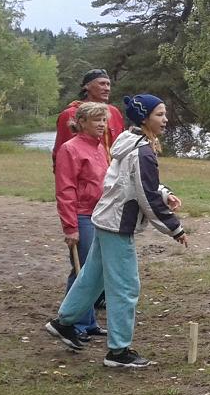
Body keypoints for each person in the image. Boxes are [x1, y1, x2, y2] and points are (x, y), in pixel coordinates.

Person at [42, 94, 187, 368]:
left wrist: (164, 193)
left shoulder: (128, 140)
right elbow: (146, 195)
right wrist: (175, 228)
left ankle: (64, 323)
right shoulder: (141, 150)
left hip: (105, 219)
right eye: (159, 114)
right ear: (144, 118)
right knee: (125, 287)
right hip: (117, 224)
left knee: (92, 277)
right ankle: (119, 352)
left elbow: (133, 182)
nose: (165, 119)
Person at [53, 101, 110, 341]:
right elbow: (65, 189)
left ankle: (88, 322)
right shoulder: (70, 149)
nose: (102, 124)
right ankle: (72, 321)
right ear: (82, 122)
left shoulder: (100, 147)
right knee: (82, 270)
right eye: (97, 120)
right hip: (82, 215)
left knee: (95, 270)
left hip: (100, 215)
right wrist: (70, 226)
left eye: (104, 120)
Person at [52, 69, 125, 168]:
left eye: (108, 84)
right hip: (85, 175)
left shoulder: (114, 113)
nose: (107, 88)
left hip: (114, 174)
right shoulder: (70, 114)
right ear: (87, 86)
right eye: (102, 84)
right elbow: (61, 155)